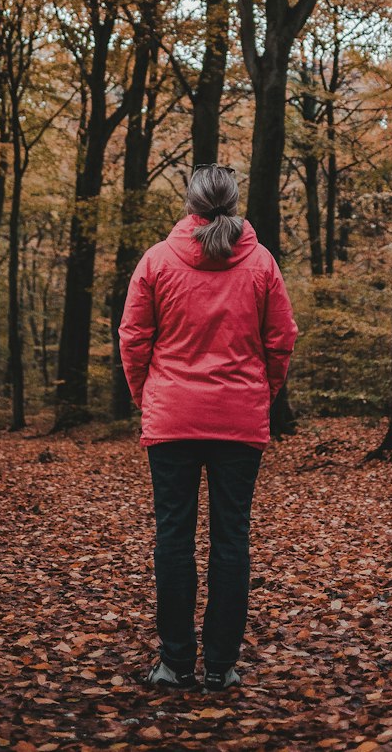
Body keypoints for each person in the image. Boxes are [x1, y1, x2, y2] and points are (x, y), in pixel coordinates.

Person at [117, 164, 298, 693]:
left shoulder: (156, 260)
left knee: (173, 538)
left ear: (191, 205)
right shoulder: (261, 262)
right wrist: (262, 396)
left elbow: (133, 339)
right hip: (238, 421)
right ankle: (219, 666)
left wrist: (147, 398)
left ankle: (174, 663)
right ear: (233, 202)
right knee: (231, 540)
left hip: (172, 417)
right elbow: (281, 339)